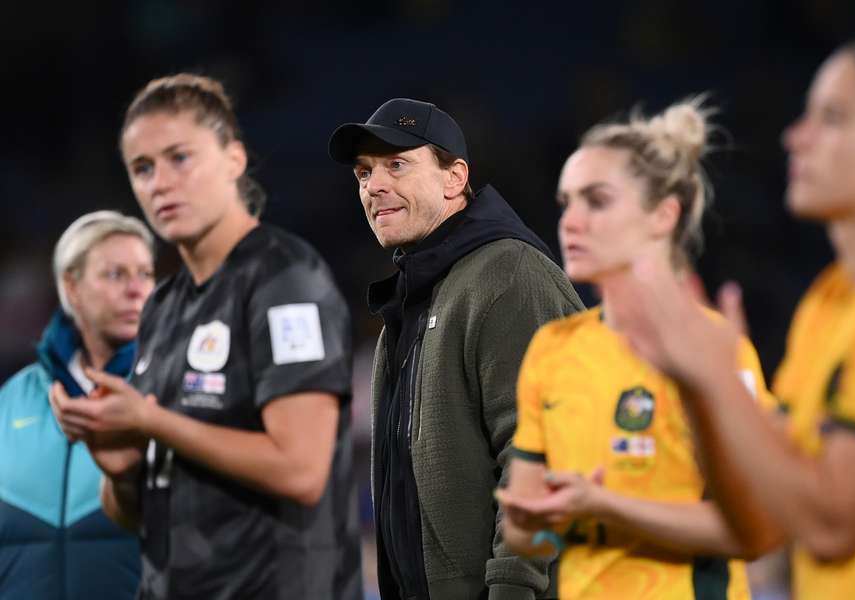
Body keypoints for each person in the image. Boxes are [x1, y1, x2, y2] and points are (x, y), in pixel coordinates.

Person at [594, 36, 855, 600]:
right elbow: (762, 517)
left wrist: (715, 377)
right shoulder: (828, 301)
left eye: (831, 117)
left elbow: (834, 525)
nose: (795, 136)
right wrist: (697, 387)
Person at [52, 74, 362, 600]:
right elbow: (138, 514)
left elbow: (301, 469)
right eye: (142, 169)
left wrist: (152, 421)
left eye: (180, 157)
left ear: (234, 159)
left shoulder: (285, 279)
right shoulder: (163, 307)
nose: (159, 183)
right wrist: (122, 467)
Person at [495, 100, 773, 599]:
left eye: (596, 201)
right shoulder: (553, 349)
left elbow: (753, 532)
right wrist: (542, 521)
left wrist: (604, 506)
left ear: (664, 215)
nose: (571, 222)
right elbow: (527, 539)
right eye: (565, 203)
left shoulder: (713, 347)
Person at [328, 98, 584, 600]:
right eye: (363, 173)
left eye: (396, 165)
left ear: (454, 178)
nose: (374, 186)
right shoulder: (414, 301)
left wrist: (513, 590)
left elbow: (546, 452)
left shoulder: (509, 274)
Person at [0, 210, 152, 599]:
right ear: (72, 287)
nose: (137, 289)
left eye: (146, 274)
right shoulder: (12, 400)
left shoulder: (167, 395)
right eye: (115, 274)